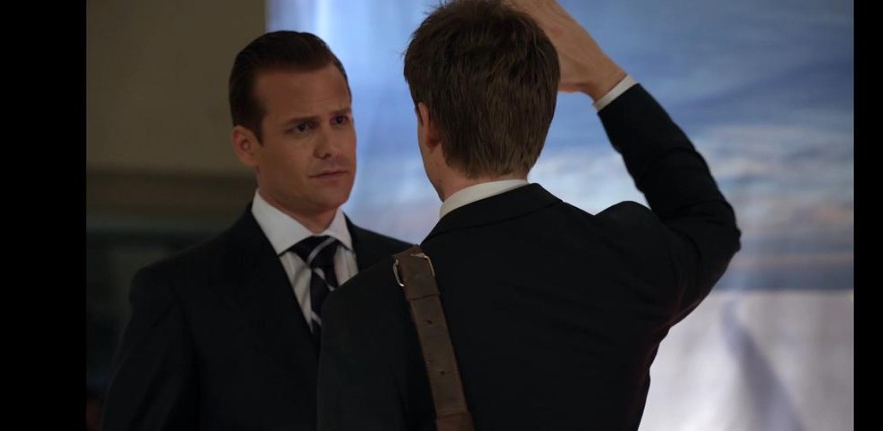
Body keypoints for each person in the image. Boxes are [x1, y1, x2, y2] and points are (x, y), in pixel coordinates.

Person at [316, 0, 742, 429]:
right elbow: (709, 220)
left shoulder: (364, 311)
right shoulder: (630, 261)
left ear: (430, 124)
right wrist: (604, 80)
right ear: (540, 118)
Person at [101, 31, 411, 430]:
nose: (331, 147)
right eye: (302, 128)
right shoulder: (181, 293)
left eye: (340, 120)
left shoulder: (408, 271)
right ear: (246, 146)